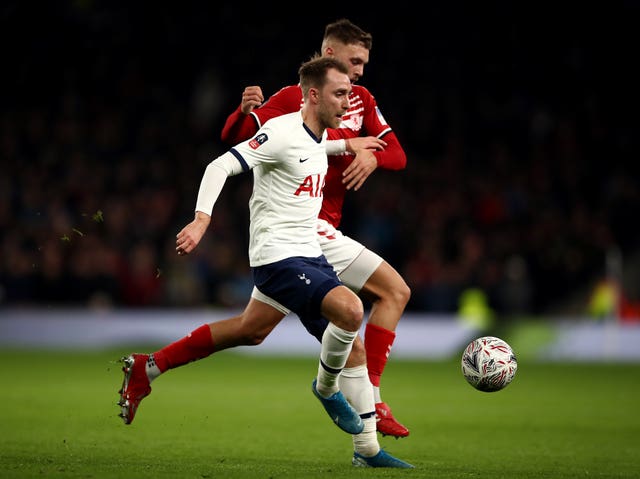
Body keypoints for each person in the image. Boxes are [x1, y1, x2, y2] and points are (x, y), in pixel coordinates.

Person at [118, 56, 413, 469]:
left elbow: (308, 148)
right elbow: (219, 164)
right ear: (313, 95)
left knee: (255, 331)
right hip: (278, 259)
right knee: (350, 309)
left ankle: (148, 368)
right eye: (341, 94)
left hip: (307, 254)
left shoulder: (314, 135)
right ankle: (327, 390)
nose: (349, 104)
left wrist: (348, 144)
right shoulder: (280, 130)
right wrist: (202, 219)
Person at [220, 18, 411, 438]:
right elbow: (235, 140)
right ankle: (366, 404)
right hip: (305, 230)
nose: (360, 71)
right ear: (329, 53)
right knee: (386, 296)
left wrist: (375, 157)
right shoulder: (293, 98)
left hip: (322, 231)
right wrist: (243, 113)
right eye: (354, 61)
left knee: (251, 330)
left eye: (364, 63)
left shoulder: (361, 99)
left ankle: (152, 365)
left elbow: (397, 153)